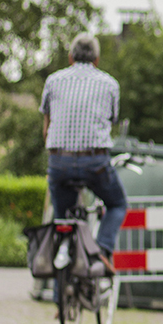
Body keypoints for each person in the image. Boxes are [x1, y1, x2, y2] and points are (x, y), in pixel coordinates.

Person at [40, 33, 127, 269]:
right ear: (97, 60)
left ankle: (60, 302)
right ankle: (102, 250)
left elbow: (46, 127)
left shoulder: (53, 81)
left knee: (62, 220)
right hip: (94, 162)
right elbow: (112, 119)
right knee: (117, 204)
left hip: (59, 161)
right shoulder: (109, 84)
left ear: (70, 57)